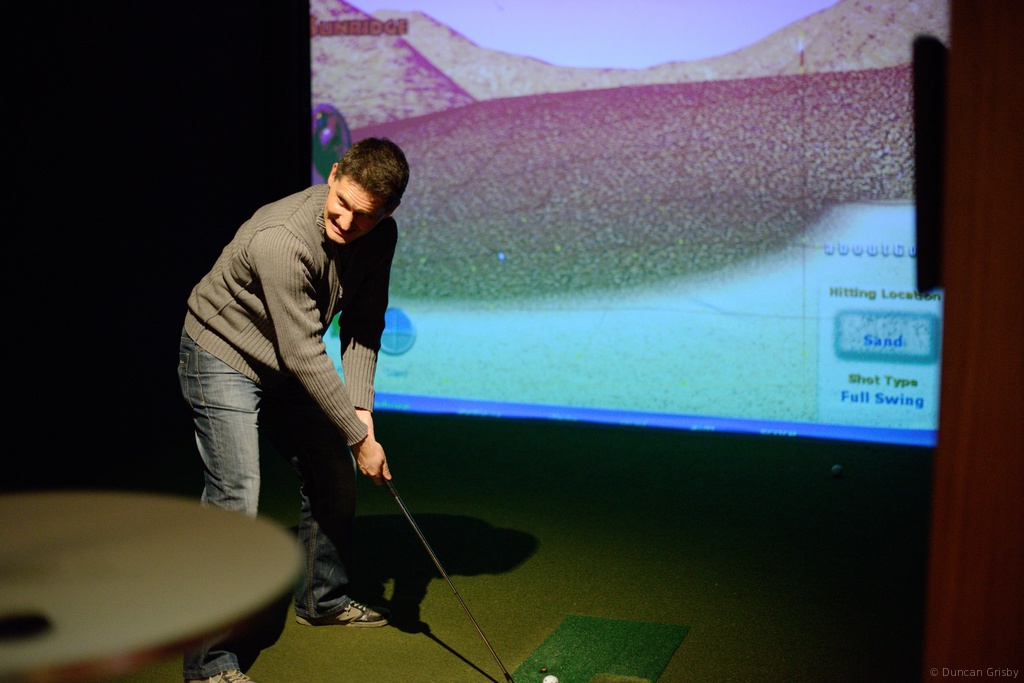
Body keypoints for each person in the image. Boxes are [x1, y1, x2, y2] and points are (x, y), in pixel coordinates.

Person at [177, 137, 410, 683]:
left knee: (332, 472)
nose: (347, 222)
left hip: (284, 360)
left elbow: (363, 323)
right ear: (333, 174)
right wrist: (360, 438)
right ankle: (207, 664)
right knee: (236, 497)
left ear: (389, 212)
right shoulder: (282, 236)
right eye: (342, 203)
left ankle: (322, 599)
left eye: (365, 215)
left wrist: (361, 411)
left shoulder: (381, 236)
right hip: (222, 353)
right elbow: (304, 350)